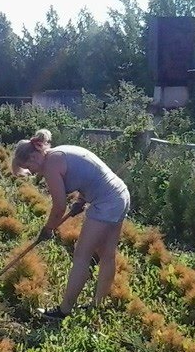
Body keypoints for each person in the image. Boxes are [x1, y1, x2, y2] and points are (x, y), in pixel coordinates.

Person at [11, 129, 129, 322]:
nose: (31, 172)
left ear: (34, 155)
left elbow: (59, 206)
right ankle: (97, 305)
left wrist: (48, 228)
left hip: (106, 202)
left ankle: (63, 311)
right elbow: (87, 175)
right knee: (107, 253)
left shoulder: (50, 165)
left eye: (28, 166)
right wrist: (81, 201)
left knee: (82, 255)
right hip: (120, 194)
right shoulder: (60, 153)